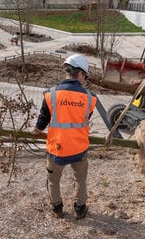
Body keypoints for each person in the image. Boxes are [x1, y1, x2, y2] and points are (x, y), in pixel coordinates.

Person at [31, 53, 97, 219]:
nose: (85, 80)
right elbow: (84, 118)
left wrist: (36, 130)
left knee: (53, 181)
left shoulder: (51, 94)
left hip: (57, 148)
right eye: (85, 76)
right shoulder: (90, 98)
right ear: (80, 74)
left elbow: (43, 119)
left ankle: (57, 208)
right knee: (80, 180)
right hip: (79, 149)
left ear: (67, 71)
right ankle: (80, 209)